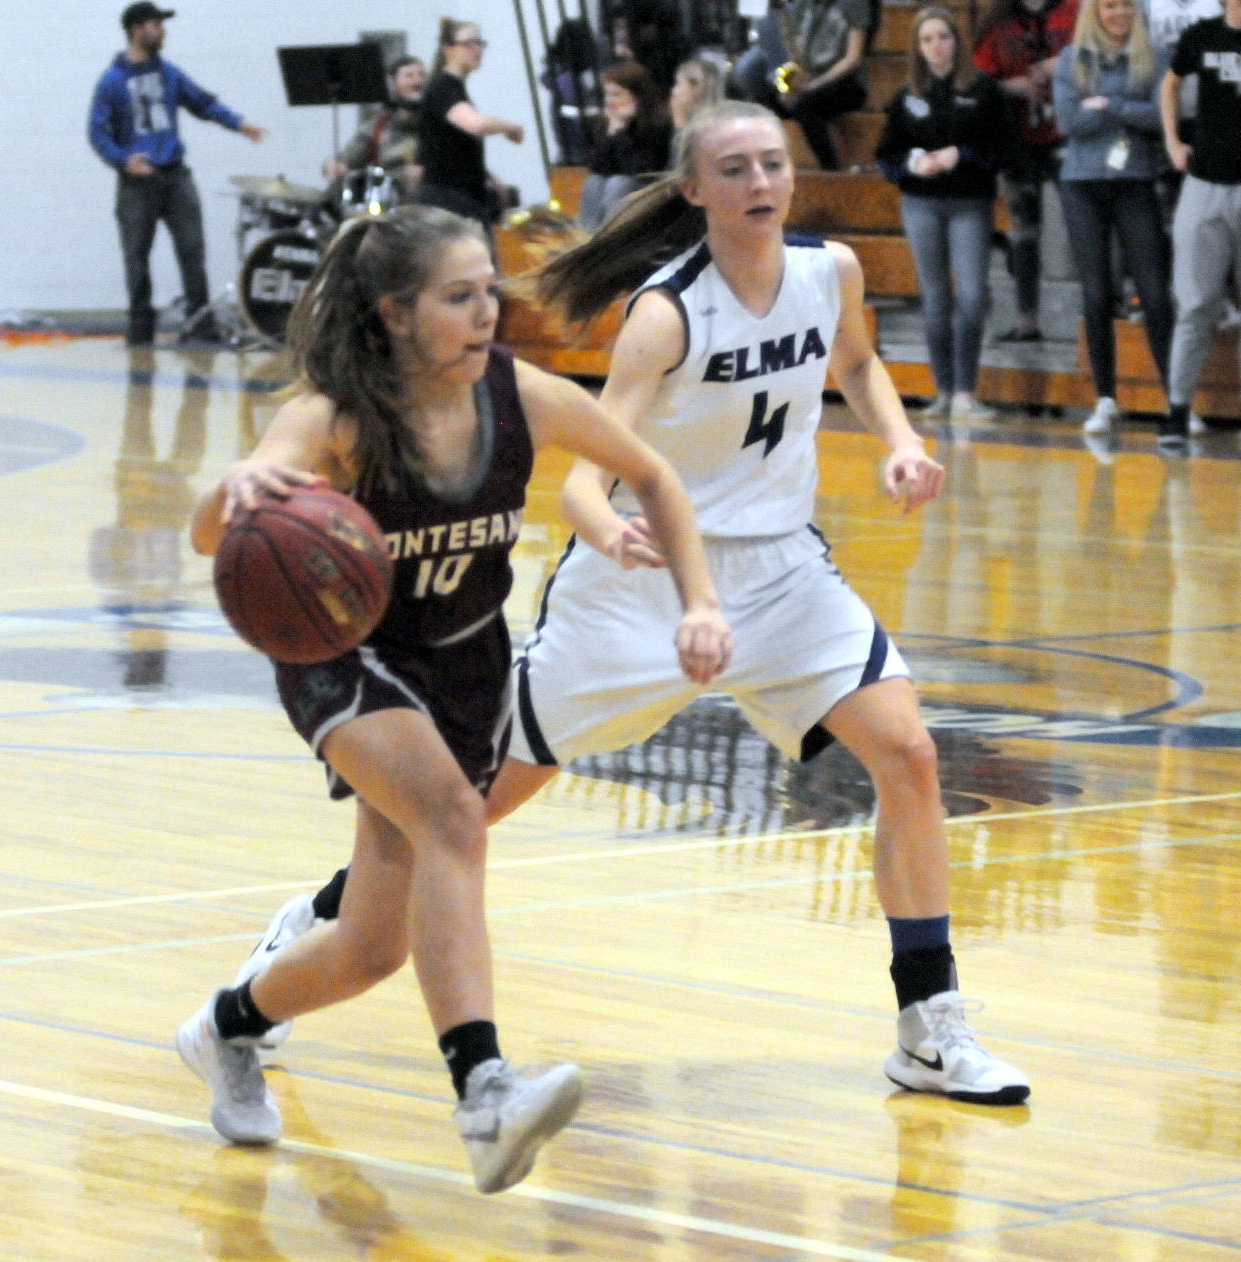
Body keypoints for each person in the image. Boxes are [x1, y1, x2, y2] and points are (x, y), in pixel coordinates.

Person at [237, 102, 1032, 1109]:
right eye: (735, 166)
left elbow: (859, 364)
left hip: (781, 567)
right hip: (635, 587)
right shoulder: (667, 311)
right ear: (693, 188)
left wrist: (897, 440)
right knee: (462, 812)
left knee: (908, 754)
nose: (761, 181)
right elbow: (588, 475)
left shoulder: (828, 271)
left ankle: (927, 1026)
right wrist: (609, 531)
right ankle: (318, 924)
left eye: (774, 163)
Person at [174, 205, 733, 1193]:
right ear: (393, 313)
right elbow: (210, 535)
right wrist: (241, 484)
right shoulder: (333, 419)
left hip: (465, 664)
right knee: (453, 817)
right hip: (345, 656)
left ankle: (226, 1026)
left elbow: (650, 472)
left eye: (490, 290)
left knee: (368, 949)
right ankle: (482, 1093)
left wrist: (696, 600)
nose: (488, 312)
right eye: (459, 296)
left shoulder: (518, 396)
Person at [87, 3, 265, 346]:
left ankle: (199, 321)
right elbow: (97, 132)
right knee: (136, 255)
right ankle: (140, 327)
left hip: (175, 176)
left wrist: (238, 124)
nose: (163, 30)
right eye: (156, 24)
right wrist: (123, 160)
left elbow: (203, 103)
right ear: (136, 30)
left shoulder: (169, 73)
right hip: (137, 182)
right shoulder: (111, 81)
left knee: (192, 249)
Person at [876, 7, 1010, 421]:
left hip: (970, 202)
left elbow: (1002, 148)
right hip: (921, 203)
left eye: (944, 36)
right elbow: (886, 155)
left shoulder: (984, 89)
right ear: (918, 47)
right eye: (928, 39)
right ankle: (943, 390)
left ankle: (966, 392)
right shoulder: (906, 95)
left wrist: (962, 155)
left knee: (971, 295)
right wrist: (912, 162)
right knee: (934, 297)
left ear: (957, 41)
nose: (937, 45)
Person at [1054, 0, 1174, 435]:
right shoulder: (1073, 58)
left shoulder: (1153, 57)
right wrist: (1126, 110)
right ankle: (1106, 398)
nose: (1119, 13)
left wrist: (1108, 104)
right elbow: (1068, 119)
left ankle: (1176, 400)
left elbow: (1161, 115)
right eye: (1109, 5)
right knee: (1097, 294)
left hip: (1134, 180)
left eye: (1125, 5)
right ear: (1095, 11)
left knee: (1155, 294)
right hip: (1082, 185)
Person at [1157, 0, 1241, 449]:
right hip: (1205, 182)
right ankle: (1177, 409)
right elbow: (1169, 84)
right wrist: (1173, 141)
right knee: (1194, 303)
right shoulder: (1201, 36)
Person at [974, 0, 1080, 341]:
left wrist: (1061, 63)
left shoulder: (1074, 10)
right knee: (1024, 231)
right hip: (1017, 140)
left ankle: (1105, 310)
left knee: (1083, 222)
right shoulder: (998, 22)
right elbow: (976, 82)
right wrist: (1009, 87)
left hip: (1069, 133)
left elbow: (1103, 53)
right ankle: (1027, 319)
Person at [416, 19, 524, 231]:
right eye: (469, 43)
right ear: (448, 49)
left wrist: (489, 177)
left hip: (462, 198)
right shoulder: (443, 88)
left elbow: (454, 148)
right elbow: (475, 124)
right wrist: (512, 127)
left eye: (479, 43)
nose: (477, 49)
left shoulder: (453, 88)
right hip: (447, 201)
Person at [773, 0, 873, 171]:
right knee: (766, 102)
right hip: (812, 76)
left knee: (805, 107)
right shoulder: (804, 5)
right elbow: (798, 52)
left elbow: (853, 58)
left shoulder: (855, 3)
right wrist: (791, 85)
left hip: (846, 81)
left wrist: (815, 84)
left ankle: (831, 169)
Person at [579, 61, 673, 231]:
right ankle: (589, 239)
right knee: (593, 182)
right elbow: (597, 167)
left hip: (649, 186)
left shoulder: (657, 123)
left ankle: (614, 239)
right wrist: (611, 133)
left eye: (616, 95)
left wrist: (622, 133)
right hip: (617, 189)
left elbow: (640, 169)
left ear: (636, 96)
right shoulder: (608, 123)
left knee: (618, 182)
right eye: (607, 94)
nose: (609, 100)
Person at [323, 56, 427, 203]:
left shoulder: (439, 123)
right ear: (393, 84)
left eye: (421, 75)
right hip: (388, 204)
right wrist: (334, 166)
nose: (417, 82)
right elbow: (348, 158)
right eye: (409, 76)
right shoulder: (377, 126)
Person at [542, 18, 604, 165]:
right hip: (578, 149)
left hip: (569, 147)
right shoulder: (566, 77)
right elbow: (581, 106)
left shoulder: (559, 72)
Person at [669, 55, 727, 135]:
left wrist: (679, 120)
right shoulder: (723, 120)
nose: (674, 91)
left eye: (678, 83)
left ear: (697, 87)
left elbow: (682, 146)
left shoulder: (703, 130)